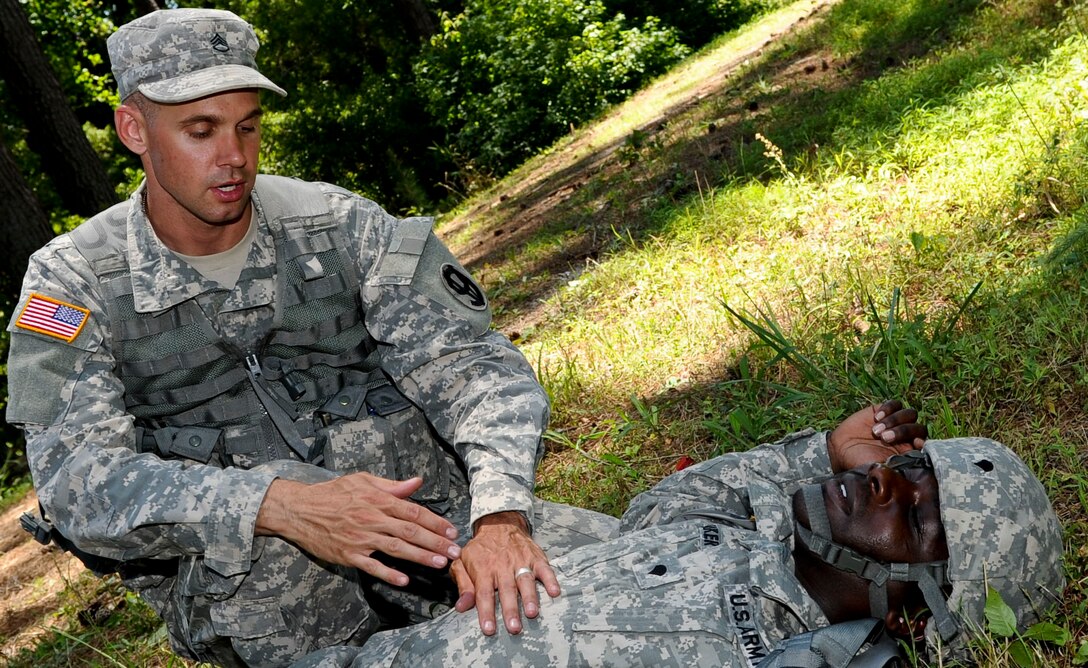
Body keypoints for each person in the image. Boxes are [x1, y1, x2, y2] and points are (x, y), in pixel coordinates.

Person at [5, 8, 618, 667]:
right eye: (201, 131)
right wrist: (280, 506)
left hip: (438, 526)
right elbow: (77, 482)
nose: (233, 156)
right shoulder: (66, 286)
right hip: (261, 592)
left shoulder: (340, 222)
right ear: (134, 129)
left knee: (645, 584)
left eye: (247, 126)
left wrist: (499, 515)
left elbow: (472, 365)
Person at [289, 400, 1066, 667]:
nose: (884, 482)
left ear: (918, 615)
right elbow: (665, 509)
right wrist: (823, 452)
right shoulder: (768, 551)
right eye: (908, 468)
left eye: (916, 516)